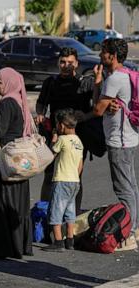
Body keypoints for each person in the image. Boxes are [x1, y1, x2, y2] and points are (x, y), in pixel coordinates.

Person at [0, 67, 33, 259]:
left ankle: (2, 247)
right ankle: (17, 245)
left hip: (0, 163)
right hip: (15, 163)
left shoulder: (6, 104)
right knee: (14, 205)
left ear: (9, 83)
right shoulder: (18, 101)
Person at [35, 47, 95, 214]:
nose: (66, 65)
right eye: (62, 62)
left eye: (70, 62)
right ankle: (45, 215)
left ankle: (72, 218)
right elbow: (41, 103)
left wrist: (85, 116)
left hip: (78, 138)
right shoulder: (50, 83)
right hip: (53, 136)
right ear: (58, 63)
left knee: (75, 179)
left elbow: (97, 109)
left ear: (77, 64)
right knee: (49, 177)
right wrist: (40, 114)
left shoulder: (85, 83)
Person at [93, 38, 139, 251]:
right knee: (131, 185)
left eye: (103, 51)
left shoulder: (114, 79)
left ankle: (128, 234)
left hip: (119, 142)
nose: (101, 54)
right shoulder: (126, 74)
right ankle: (135, 228)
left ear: (112, 55)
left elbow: (97, 110)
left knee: (123, 188)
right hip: (130, 138)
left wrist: (97, 83)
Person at [43, 109, 83, 252]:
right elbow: (80, 164)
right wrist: (76, 177)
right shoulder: (78, 141)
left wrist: (53, 140)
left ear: (61, 126)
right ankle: (70, 240)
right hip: (74, 181)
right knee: (70, 211)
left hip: (61, 180)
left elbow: (50, 156)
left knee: (56, 210)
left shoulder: (62, 139)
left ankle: (58, 242)